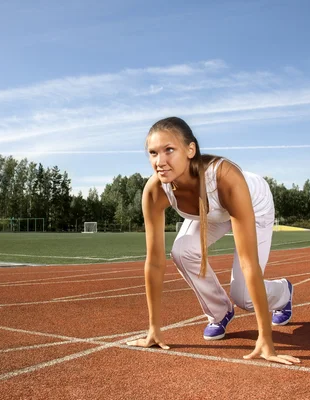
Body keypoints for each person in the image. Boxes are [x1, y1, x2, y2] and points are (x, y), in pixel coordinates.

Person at [127, 117, 300, 365]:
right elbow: (154, 262)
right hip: (210, 210)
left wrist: (266, 339)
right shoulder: (155, 190)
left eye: (169, 150)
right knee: (182, 251)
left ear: (190, 150)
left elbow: (249, 263)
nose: (159, 161)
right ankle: (219, 312)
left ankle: (283, 292)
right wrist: (153, 329)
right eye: (153, 153)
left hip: (250, 202)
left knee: (245, 298)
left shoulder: (225, 177)